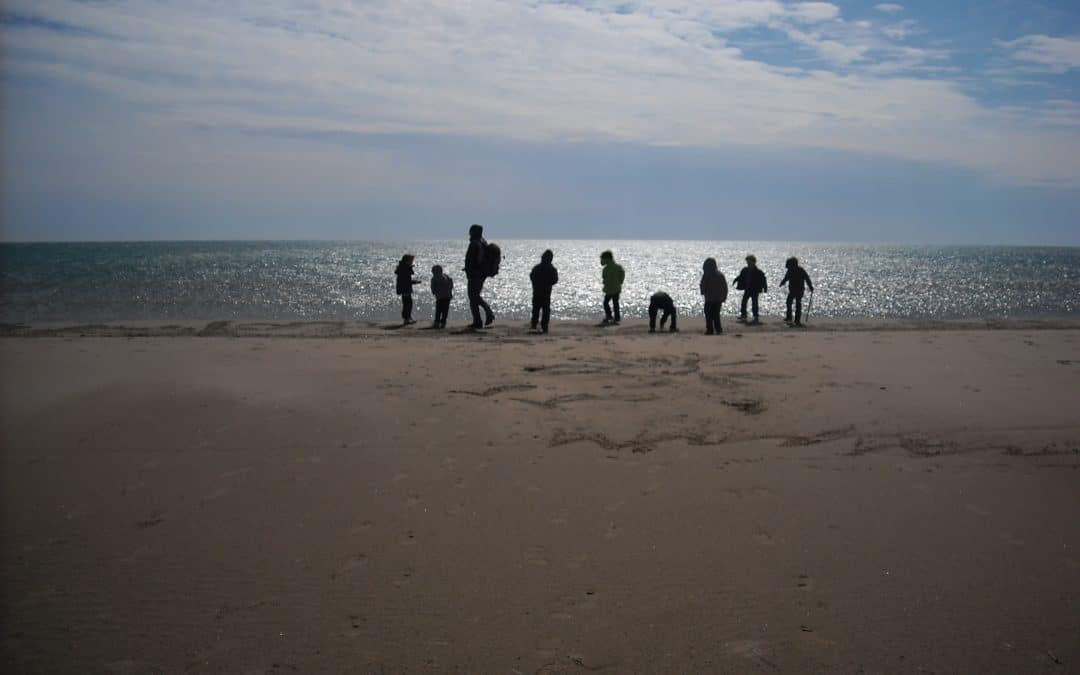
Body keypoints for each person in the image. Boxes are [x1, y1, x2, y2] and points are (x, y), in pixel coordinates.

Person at [464, 224, 495, 329]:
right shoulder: (483, 242)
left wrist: (470, 269)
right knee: (474, 297)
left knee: (473, 297)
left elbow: (473, 260)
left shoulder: (475, 243)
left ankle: (484, 316)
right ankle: (479, 319)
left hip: (475, 274)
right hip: (481, 274)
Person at [529, 249, 558, 333]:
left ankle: (537, 325)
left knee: (539, 309)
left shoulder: (539, 268)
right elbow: (555, 280)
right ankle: (541, 326)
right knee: (541, 310)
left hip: (541, 292)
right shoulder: (550, 269)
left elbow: (555, 279)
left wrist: (541, 283)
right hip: (543, 292)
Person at [780, 257, 814, 327]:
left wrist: (810, 286)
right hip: (794, 289)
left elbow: (807, 278)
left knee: (795, 304)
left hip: (798, 290)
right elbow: (786, 277)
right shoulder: (794, 270)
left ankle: (795, 319)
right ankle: (791, 318)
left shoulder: (799, 270)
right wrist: (782, 282)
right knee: (791, 303)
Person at [734, 254, 767, 324]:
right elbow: (740, 276)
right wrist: (735, 280)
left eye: (749, 261)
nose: (748, 263)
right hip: (748, 288)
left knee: (754, 303)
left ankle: (756, 317)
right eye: (747, 261)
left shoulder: (758, 271)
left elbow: (763, 279)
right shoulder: (745, 270)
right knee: (744, 302)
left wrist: (765, 287)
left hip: (755, 289)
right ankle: (743, 315)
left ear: (753, 262)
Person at [700, 257, 728, 334]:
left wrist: (702, 291)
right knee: (716, 314)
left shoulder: (707, 275)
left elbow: (703, 284)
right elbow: (725, 287)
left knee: (708, 314)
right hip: (718, 299)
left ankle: (710, 329)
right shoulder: (720, 275)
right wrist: (724, 296)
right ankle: (718, 329)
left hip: (709, 298)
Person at [600, 250, 625, 325]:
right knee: (615, 303)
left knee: (606, 303)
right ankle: (616, 318)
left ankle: (609, 316)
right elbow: (622, 275)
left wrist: (606, 283)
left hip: (610, 289)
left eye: (603, 259)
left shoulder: (606, 269)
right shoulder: (618, 267)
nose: (601, 261)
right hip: (616, 288)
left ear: (607, 259)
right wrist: (620, 282)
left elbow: (604, 278)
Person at [394, 254, 421, 325]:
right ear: (407, 260)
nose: (412, 262)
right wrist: (415, 282)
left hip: (404, 287)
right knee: (408, 304)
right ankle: (407, 318)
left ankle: (408, 318)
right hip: (405, 288)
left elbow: (406, 279)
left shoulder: (403, 267)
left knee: (407, 303)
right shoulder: (404, 268)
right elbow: (406, 280)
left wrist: (410, 267)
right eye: (411, 260)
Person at [430, 264, 453, 329]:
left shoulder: (434, 278)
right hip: (447, 296)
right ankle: (443, 322)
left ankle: (437, 322)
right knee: (445, 310)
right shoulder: (446, 276)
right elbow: (450, 284)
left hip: (440, 296)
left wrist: (433, 292)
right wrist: (450, 292)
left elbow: (433, 287)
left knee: (438, 310)